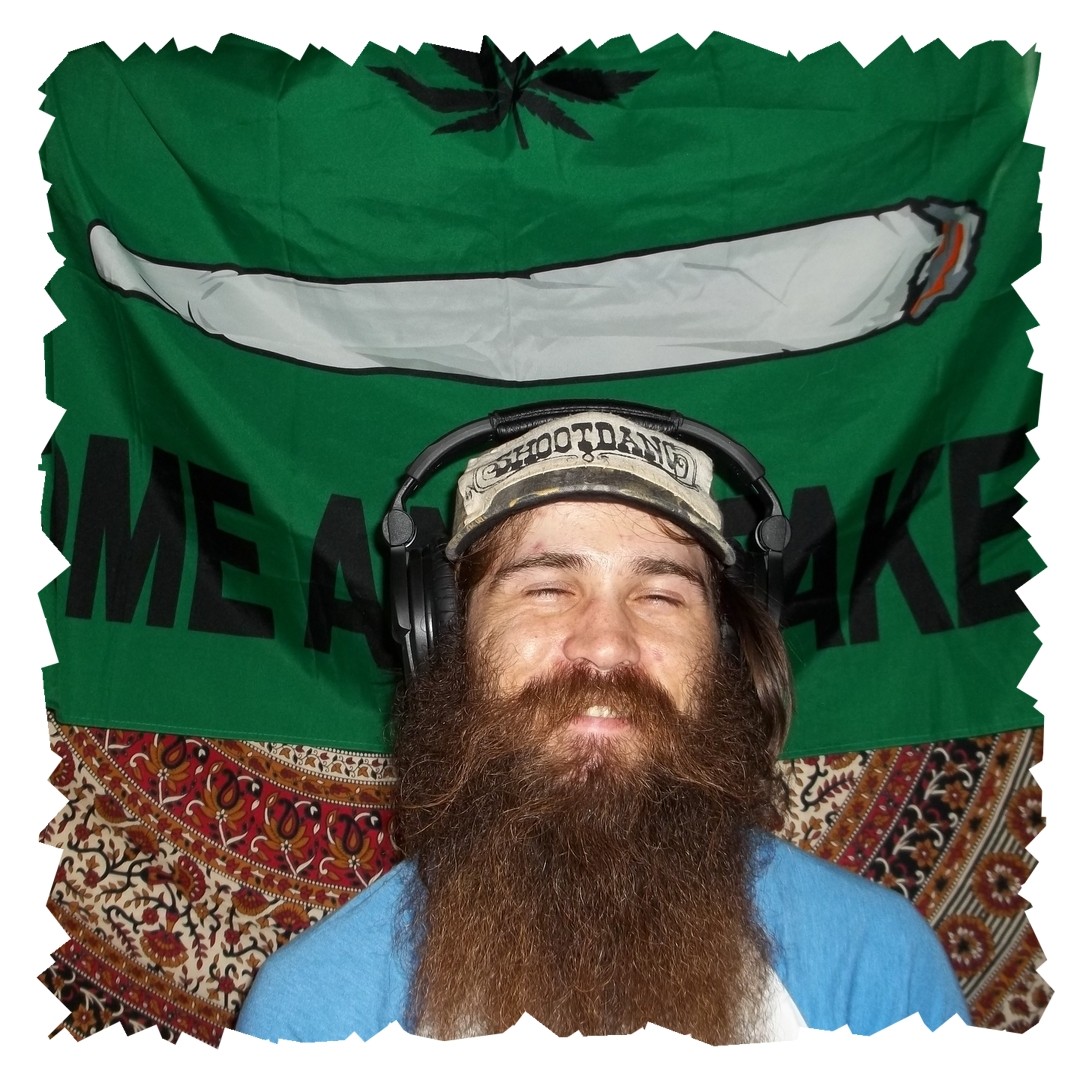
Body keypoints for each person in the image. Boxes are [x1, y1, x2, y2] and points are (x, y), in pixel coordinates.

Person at [235, 407, 969, 1043]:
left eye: (661, 596)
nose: (608, 645)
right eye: (548, 588)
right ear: (446, 637)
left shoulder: (879, 969)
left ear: (723, 649)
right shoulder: (314, 1015)